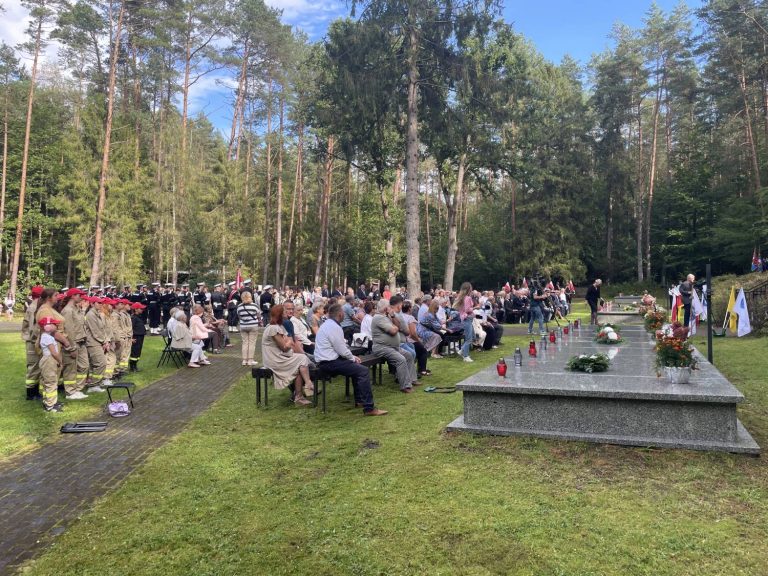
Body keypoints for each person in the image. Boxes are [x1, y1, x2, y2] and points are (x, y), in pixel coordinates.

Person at [314, 303, 387, 416]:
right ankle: (369, 408)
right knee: (363, 371)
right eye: (343, 313)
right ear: (340, 314)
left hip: (326, 361)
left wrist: (351, 358)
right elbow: (342, 350)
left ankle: (360, 401)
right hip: (329, 363)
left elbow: (340, 348)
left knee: (357, 368)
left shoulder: (327, 325)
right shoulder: (334, 327)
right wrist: (352, 357)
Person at [262, 305, 314, 406]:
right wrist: (290, 343)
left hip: (279, 357)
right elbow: (284, 347)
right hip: (274, 359)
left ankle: (299, 396)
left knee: (300, 363)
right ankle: (308, 384)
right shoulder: (273, 328)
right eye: (284, 312)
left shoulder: (279, 327)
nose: (287, 313)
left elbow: (288, 342)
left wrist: (289, 342)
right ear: (280, 314)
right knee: (302, 358)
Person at [371, 299, 417, 392]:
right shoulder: (378, 318)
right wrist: (395, 327)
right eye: (389, 307)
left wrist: (392, 316)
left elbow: (398, 326)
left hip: (392, 347)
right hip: (382, 347)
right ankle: (405, 386)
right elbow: (393, 331)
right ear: (385, 308)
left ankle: (412, 379)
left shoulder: (387, 316)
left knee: (408, 355)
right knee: (401, 359)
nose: (391, 308)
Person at [59, 288, 90, 400]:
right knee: (71, 369)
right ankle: (70, 392)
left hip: (81, 342)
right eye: (79, 295)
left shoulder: (76, 308)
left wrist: (83, 310)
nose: (81, 297)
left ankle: (78, 389)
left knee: (84, 366)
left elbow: (81, 324)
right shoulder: (68, 310)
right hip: (74, 343)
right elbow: (69, 331)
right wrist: (71, 347)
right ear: (72, 296)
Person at [22, 285, 45, 400]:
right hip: (33, 341)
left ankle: (35, 392)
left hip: (33, 340)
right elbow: (32, 328)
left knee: (36, 367)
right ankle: (31, 393)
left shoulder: (35, 306)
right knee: (33, 367)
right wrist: (37, 340)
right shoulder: (34, 307)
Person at [38, 317, 64, 412]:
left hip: (50, 360)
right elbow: (54, 353)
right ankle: (50, 405)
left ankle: (51, 401)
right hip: (50, 360)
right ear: (47, 327)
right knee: (50, 382)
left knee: (52, 381)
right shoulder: (47, 337)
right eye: (54, 324)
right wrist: (60, 362)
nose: (56, 325)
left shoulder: (47, 336)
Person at [236, 291, 261, 366]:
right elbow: (258, 315)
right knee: (252, 343)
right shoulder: (254, 305)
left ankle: (244, 360)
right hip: (253, 326)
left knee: (245, 343)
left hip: (243, 326)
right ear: (250, 297)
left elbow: (239, 316)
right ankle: (250, 360)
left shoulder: (239, 306)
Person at [453, 282, 475, 362]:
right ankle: (465, 355)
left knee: (471, 337)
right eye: (471, 288)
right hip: (467, 319)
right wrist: (474, 308)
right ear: (469, 289)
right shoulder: (467, 298)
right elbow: (467, 310)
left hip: (465, 319)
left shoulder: (462, 297)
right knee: (469, 339)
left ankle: (463, 351)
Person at [129, 302, 147, 371]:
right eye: (141, 308)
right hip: (136, 337)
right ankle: (132, 367)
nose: (142, 310)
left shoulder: (138, 317)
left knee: (138, 352)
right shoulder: (133, 318)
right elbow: (131, 328)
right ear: (136, 309)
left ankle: (135, 366)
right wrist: (132, 337)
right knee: (134, 352)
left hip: (140, 336)